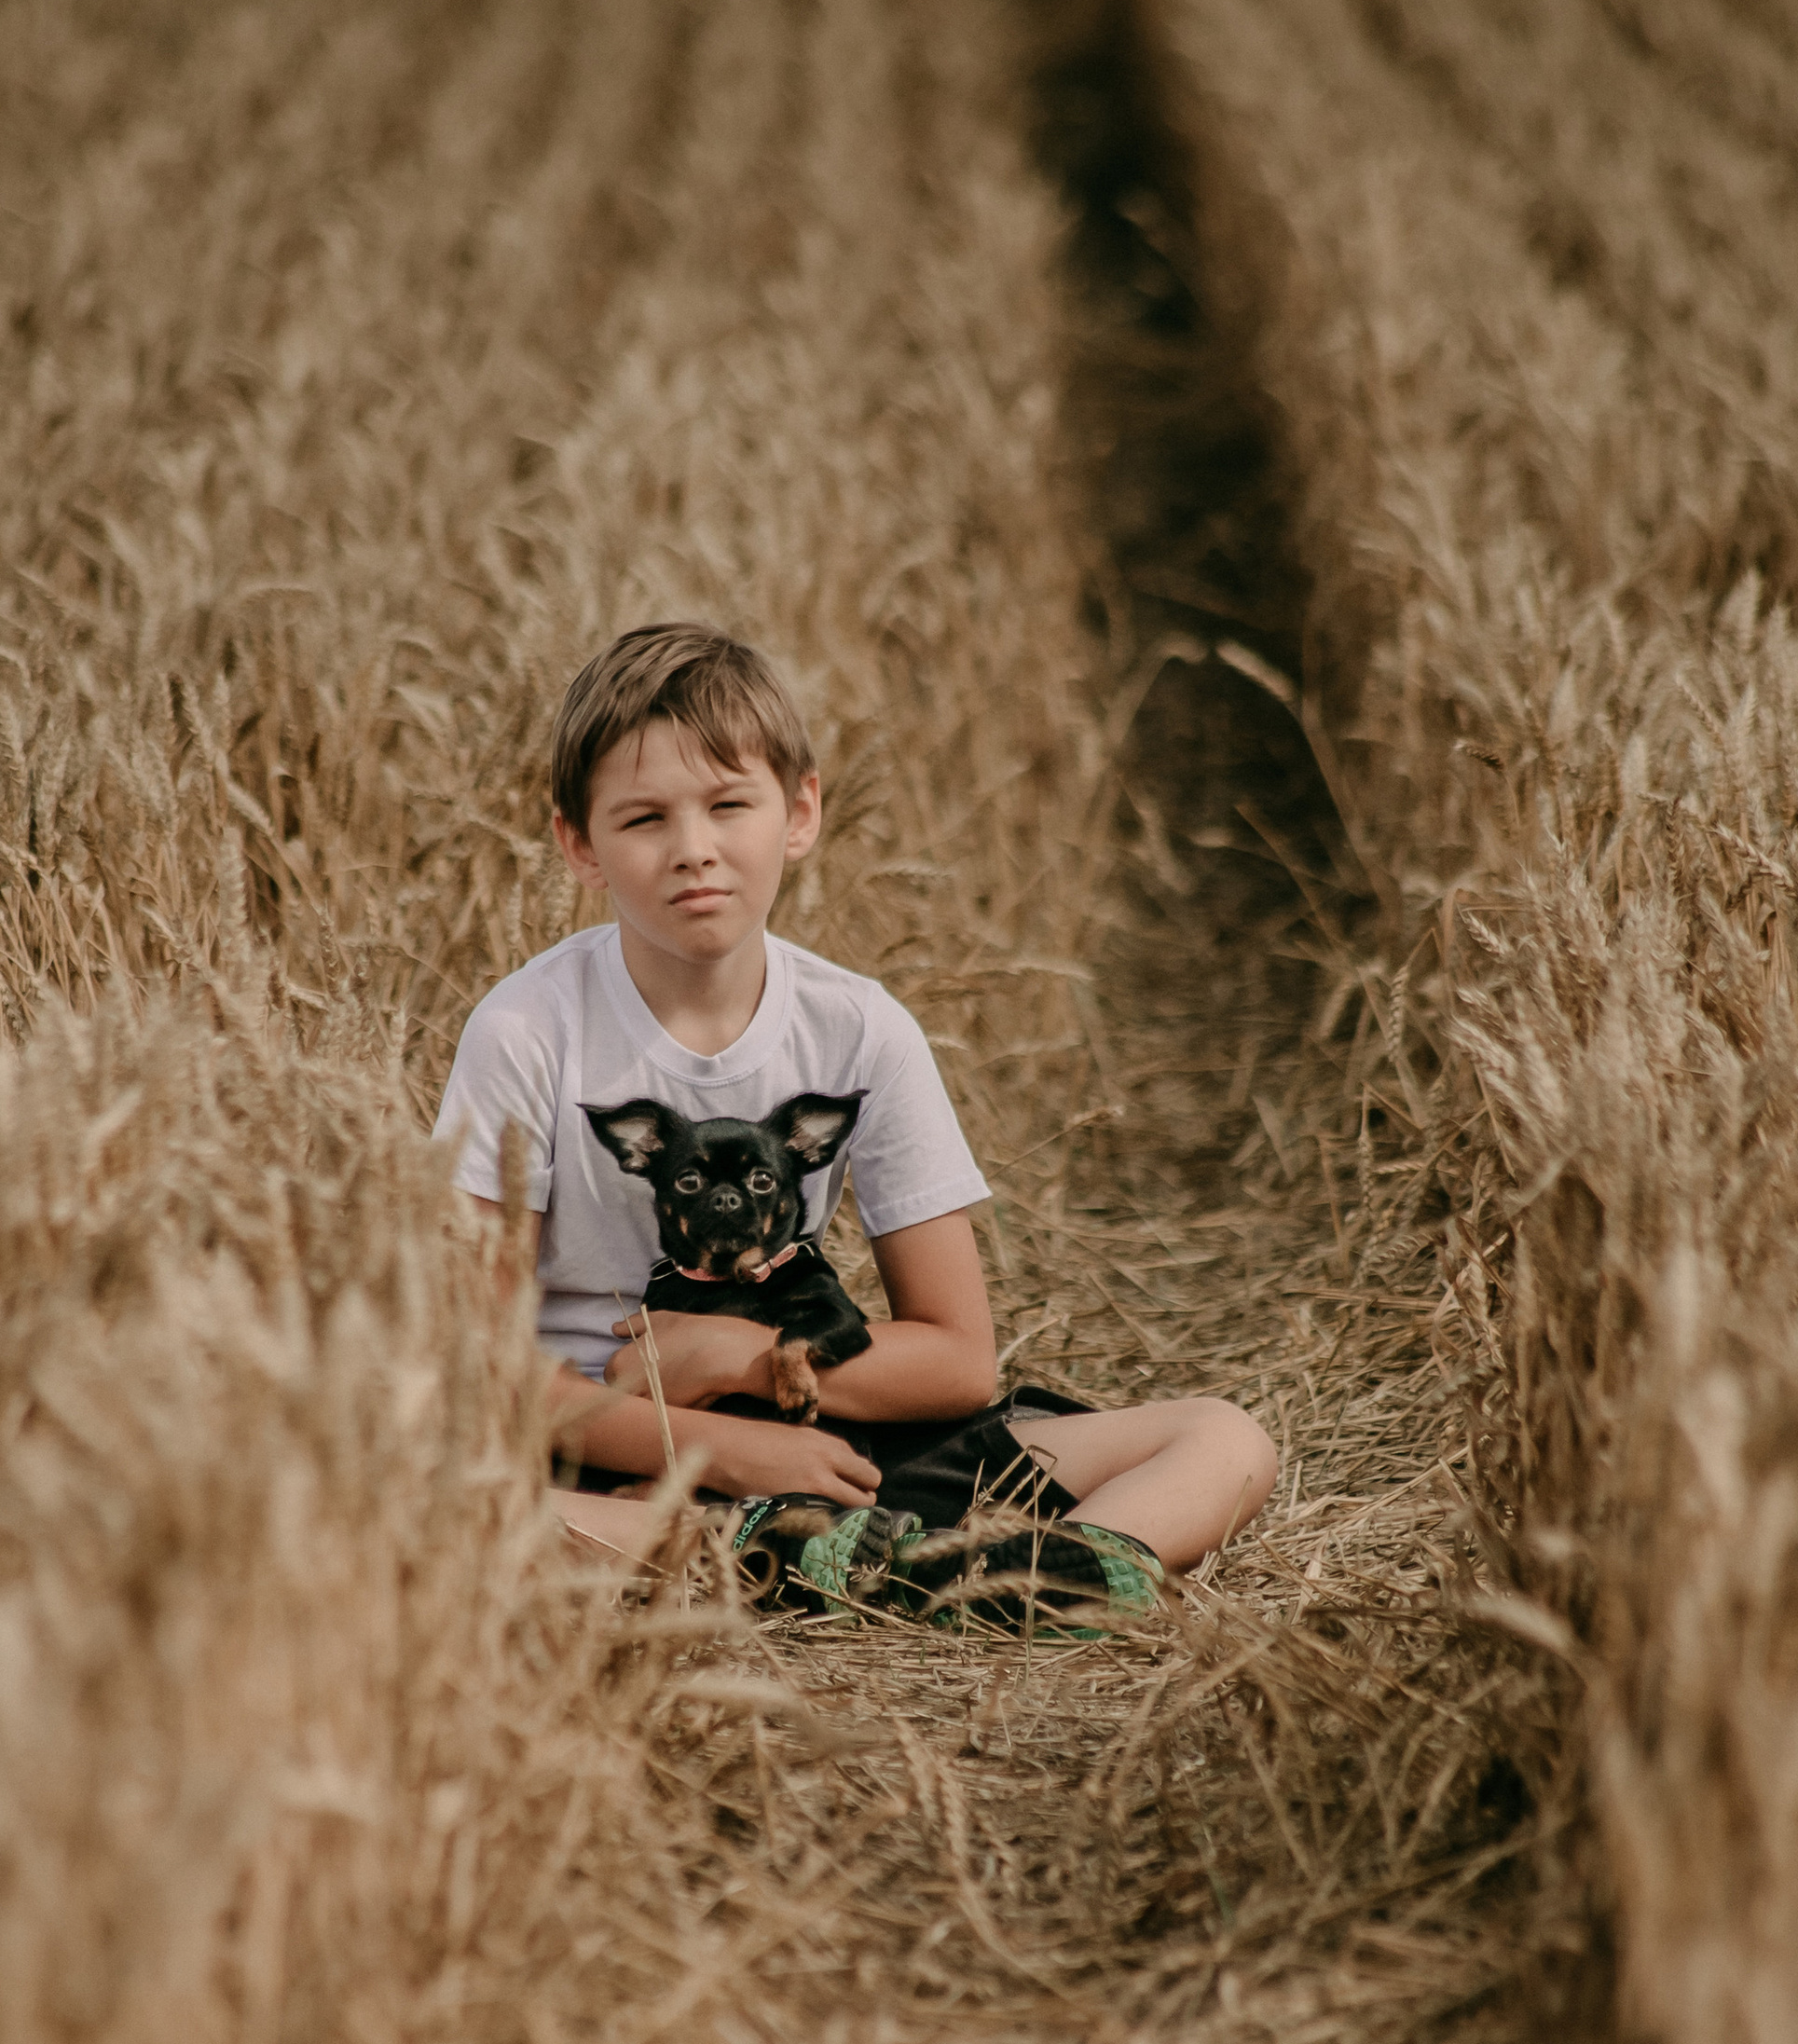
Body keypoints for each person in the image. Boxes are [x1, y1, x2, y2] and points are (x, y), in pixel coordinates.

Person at [435, 624, 1278, 1622]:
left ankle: (986, 1572)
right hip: (603, 1448)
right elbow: (479, 1364)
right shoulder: (528, 1030)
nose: (693, 848)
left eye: (728, 805)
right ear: (580, 845)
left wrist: (738, 1366)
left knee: (1226, 1441)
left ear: (799, 812)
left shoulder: (860, 1030)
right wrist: (729, 1448)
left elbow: (960, 1359)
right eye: (644, 819)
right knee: (440, 1511)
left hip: (833, 1432)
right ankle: (825, 1555)